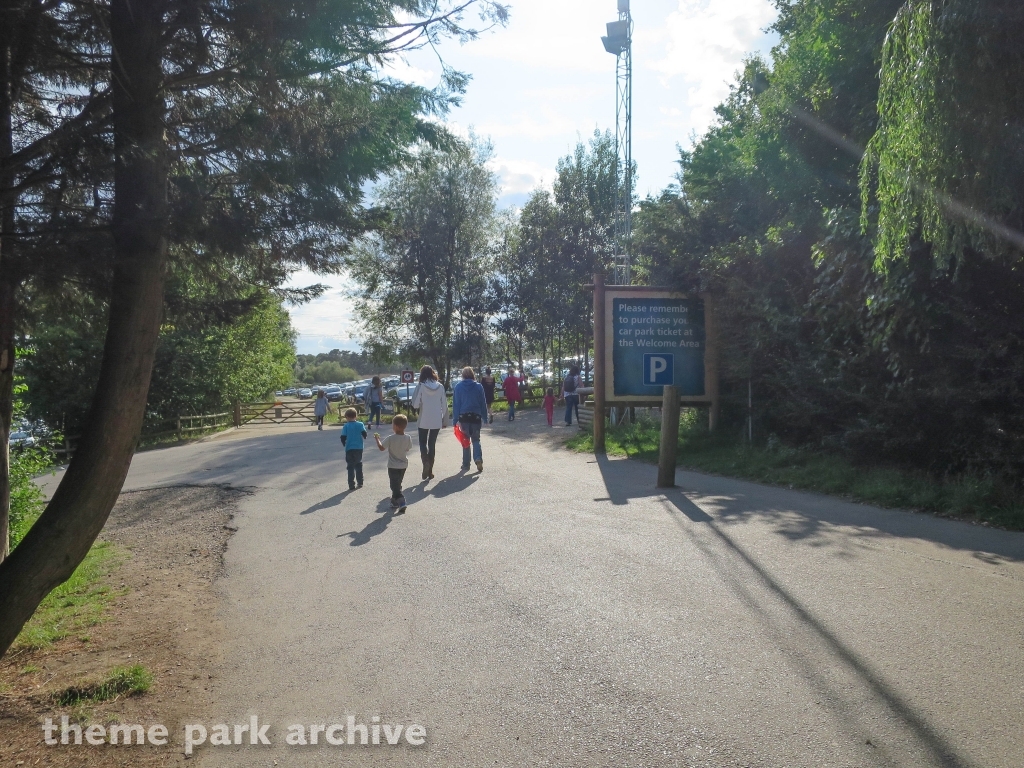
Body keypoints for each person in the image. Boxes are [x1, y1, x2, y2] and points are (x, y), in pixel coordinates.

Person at [410, 365, 448, 480]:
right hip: (436, 419)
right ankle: (430, 471)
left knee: (422, 443)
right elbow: (444, 405)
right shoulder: (440, 386)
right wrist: (445, 420)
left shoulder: (421, 386)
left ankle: (425, 462)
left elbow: (415, 404)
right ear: (432, 373)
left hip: (424, 419)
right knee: (432, 444)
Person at [374, 414, 414, 512]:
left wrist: (377, 439)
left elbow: (381, 448)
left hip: (393, 466)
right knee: (397, 483)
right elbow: (408, 448)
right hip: (403, 465)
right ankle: (394, 502)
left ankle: (402, 501)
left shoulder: (391, 438)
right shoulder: (408, 437)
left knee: (394, 485)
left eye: (392, 425)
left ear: (396, 426)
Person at [452, 366, 487, 472]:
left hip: (464, 418)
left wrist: (455, 420)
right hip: (476, 417)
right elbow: (483, 403)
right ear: (472, 375)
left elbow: (456, 405)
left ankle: (466, 464)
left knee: (465, 440)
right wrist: (485, 417)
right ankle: (478, 458)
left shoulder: (458, 387)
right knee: (476, 439)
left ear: (463, 375)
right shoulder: (479, 386)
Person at [339, 408, 367, 490]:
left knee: (350, 466)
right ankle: (360, 482)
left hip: (349, 448)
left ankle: (351, 484)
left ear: (347, 417)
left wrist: (344, 443)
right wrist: (364, 436)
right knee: (358, 464)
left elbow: (343, 437)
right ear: (356, 416)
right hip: (358, 447)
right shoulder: (360, 424)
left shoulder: (346, 426)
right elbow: (364, 433)